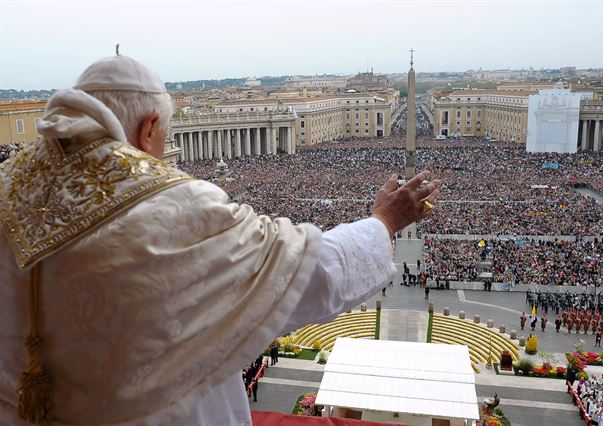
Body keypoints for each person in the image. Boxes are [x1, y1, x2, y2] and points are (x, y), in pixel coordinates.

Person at [0, 54, 442, 425]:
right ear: (148, 129)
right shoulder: (172, 207)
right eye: (165, 140)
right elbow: (307, 275)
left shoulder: (7, 187)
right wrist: (383, 220)